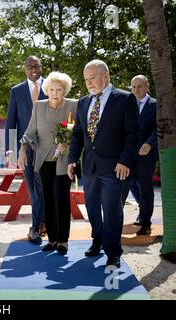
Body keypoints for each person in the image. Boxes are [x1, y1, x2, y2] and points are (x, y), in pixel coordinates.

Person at [67, 60, 139, 268]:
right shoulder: (82, 102)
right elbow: (78, 134)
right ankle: (97, 239)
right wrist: (72, 159)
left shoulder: (125, 99)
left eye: (92, 78)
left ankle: (113, 251)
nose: (88, 83)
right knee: (91, 206)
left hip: (115, 167)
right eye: (86, 79)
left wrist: (125, 160)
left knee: (111, 209)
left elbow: (132, 134)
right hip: (90, 166)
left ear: (105, 76)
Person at [19, 72, 78, 254]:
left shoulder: (73, 105)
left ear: (65, 90)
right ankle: (52, 239)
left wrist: (68, 143)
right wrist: (22, 150)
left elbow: (78, 130)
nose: (55, 93)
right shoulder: (39, 106)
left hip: (64, 160)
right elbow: (30, 131)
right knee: (48, 199)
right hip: (44, 160)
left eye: (59, 89)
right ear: (47, 90)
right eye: (51, 89)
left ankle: (63, 240)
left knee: (61, 198)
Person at [5, 55, 48, 243]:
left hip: (48, 147)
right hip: (25, 149)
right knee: (33, 188)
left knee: (46, 188)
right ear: (24, 69)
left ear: (41, 67)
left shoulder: (52, 86)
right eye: (29, 67)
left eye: (36, 66)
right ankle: (38, 224)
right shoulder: (17, 91)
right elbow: (11, 122)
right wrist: (10, 149)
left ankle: (38, 224)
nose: (33, 70)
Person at [122, 75, 158, 235]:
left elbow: (159, 128)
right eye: (133, 87)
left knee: (145, 189)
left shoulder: (155, 105)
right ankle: (115, 222)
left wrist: (149, 143)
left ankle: (145, 222)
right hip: (128, 155)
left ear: (147, 86)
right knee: (125, 186)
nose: (136, 90)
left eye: (140, 86)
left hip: (146, 155)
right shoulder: (126, 103)